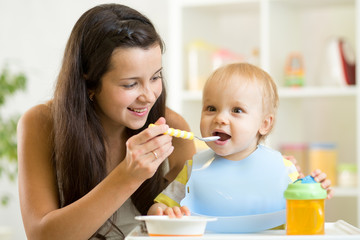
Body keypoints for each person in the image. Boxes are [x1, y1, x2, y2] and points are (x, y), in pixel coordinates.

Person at [16, 4, 196, 240]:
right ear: (89, 83)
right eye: (130, 84)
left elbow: (194, 218)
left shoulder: (173, 130)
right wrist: (129, 176)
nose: (150, 96)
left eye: (155, 77)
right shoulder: (41, 123)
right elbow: (41, 236)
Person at [148, 63, 333, 220]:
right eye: (211, 108)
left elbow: (303, 218)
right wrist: (164, 213)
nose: (220, 118)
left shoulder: (283, 169)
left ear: (264, 124)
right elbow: (154, 212)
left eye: (236, 110)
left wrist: (313, 195)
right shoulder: (192, 170)